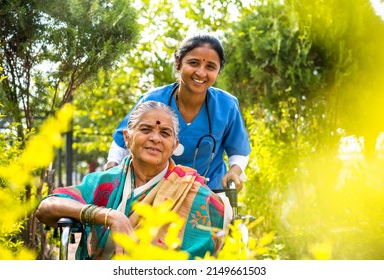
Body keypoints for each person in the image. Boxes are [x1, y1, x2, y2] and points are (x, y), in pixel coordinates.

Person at [36, 101, 232, 260]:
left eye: (165, 133)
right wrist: (109, 216)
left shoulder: (192, 191)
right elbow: (47, 207)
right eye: (146, 129)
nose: (155, 138)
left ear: (174, 145)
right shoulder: (103, 183)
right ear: (127, 137)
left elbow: (223, 227)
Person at [105, 33, 251, 191]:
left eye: (210, 67)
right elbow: (121, 142)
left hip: (209, 194)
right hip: (154, 192)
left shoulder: (226, 105)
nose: (201, 73)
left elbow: (239, 151)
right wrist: (112, 168)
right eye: (193, 63)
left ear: (218, 71)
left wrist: (234, 171)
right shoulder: (152, 100)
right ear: (178, 62)